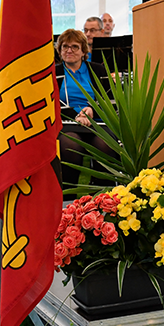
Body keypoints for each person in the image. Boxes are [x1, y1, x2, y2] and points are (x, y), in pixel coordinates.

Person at [55, 28, 113, 199]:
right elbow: (51, 102)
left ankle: (101, 197)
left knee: (105, 145)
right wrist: (77, 116)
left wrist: (91, 110)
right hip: (67, 123)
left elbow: (108, 99)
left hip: (96, 122)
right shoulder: (54, 72)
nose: (69, 50)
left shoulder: (98, 70)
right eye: (65, 47)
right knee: (70, 145)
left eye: (74, 47)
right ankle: (68, 198)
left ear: (83, 51)